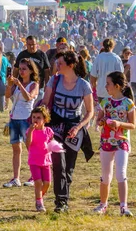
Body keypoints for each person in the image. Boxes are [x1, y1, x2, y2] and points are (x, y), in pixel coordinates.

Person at [42, 51, 94, 213]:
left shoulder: (83, 85)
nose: (57, 66)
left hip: (74, 128)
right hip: (55, 127)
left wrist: (78, 128)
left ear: (70, 66)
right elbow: (45, 102)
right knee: (58, 164)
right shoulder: (54, 80)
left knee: (69, 168)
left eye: (60, 63)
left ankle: (63, 198)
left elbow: (90, 112)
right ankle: (61, 202)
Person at [94, 71, 136, 217]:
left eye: (108, 84)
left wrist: (119, 123)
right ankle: (103, 204)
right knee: (105, 175)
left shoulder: (128, 103)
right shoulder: (104, 102)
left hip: (122, 142)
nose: (106, 86)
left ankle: (123, 206)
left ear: (117, 86)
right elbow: (98, 120)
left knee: (121, 173)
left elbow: (133, 125)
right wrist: (101, 122)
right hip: (106, 142)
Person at [3, 58, 39, 188]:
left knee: (31, 148)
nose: (22, 71)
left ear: (31, 71)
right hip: (14, 118)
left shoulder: (34, 84)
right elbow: (7, 95)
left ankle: (34, 176)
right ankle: (16, 178)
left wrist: (19, 85)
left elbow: (28, 97)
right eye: (21, 68)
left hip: (27, 118)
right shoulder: (16, 84)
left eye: (25, 69)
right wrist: (9, 84)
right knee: (16, 149)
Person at [25, 106, 54, 212]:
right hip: (34, 161)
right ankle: (39, 203)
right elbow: (28, 144)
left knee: (47, 183)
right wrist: (31, 132)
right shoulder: (30, 130)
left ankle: (39, 197)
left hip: (46, 161)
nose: (35, 120)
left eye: (38, 117)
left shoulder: (49, 131)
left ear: (45, 120)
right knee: (38, 182)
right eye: (33, 117)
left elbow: (51, 142)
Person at [14, 36, 51, 106]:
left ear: (36, 44)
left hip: (39, 87)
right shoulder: (22, 55)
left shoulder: (42, 55)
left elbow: (47, 71)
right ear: (26, 45)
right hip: (24, 87)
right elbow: (16, 69)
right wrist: (13, 81)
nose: (31, 47)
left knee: (36, 109)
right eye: (29, 44)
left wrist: (47, 85)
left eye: (33, 44)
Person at [90, 38, 124, 104]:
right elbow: (121, 76)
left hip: (101, 90)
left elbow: (93, 76)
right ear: (113, 46)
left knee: (102, 112)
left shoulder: (98, 58)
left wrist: (95, 86)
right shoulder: (116, 58)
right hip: (114, 91)